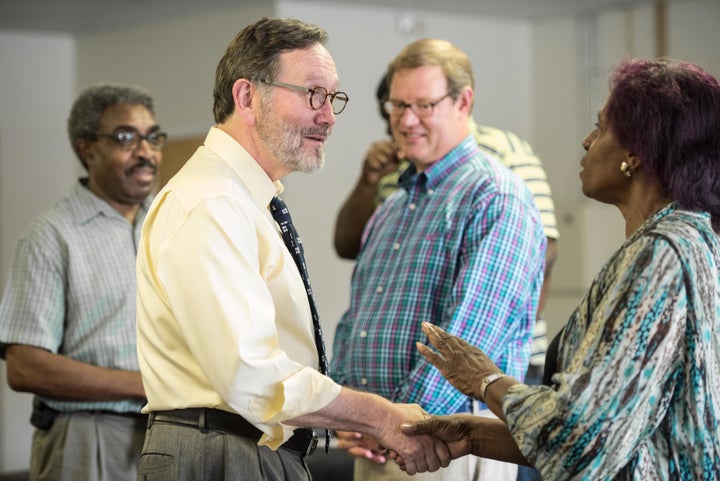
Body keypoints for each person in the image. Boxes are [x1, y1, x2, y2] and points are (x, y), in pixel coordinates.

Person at [134, 17, 450, 481]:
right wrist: (379, 415)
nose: (329, 116)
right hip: (221, 454)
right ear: (247, 97)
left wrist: (338, 420)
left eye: (333, 97)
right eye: (312, 95)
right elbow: (252, 374)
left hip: (247, 447)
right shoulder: (211, 204)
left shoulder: (246, 200)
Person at [400, 58, 720, 480]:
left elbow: (580, 434)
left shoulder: (662, 252)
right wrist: (472, 434)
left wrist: (484, 380)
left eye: (601, 128)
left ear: (636, 153)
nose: (588, 141)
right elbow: (619, 436)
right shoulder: (683, 239)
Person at [330, 38, 547, 481]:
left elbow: (466, 343)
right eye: (396, 106)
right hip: (377, 443)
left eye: (424, 105)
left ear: (463, 101)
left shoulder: (495, 196)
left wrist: (390, 426)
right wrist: (350, 416)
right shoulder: (393, 204)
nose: (406, 121)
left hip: (444, 445)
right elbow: (356, 322)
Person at [0, 83, 164, 481]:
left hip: (166, 434)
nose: (145, 152)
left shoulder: (166, 225)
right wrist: (143, 383)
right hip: (86, 434)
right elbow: (24, 367)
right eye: (126, 138)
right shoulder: (52, 235)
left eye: (152, 137)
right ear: (87, 148)